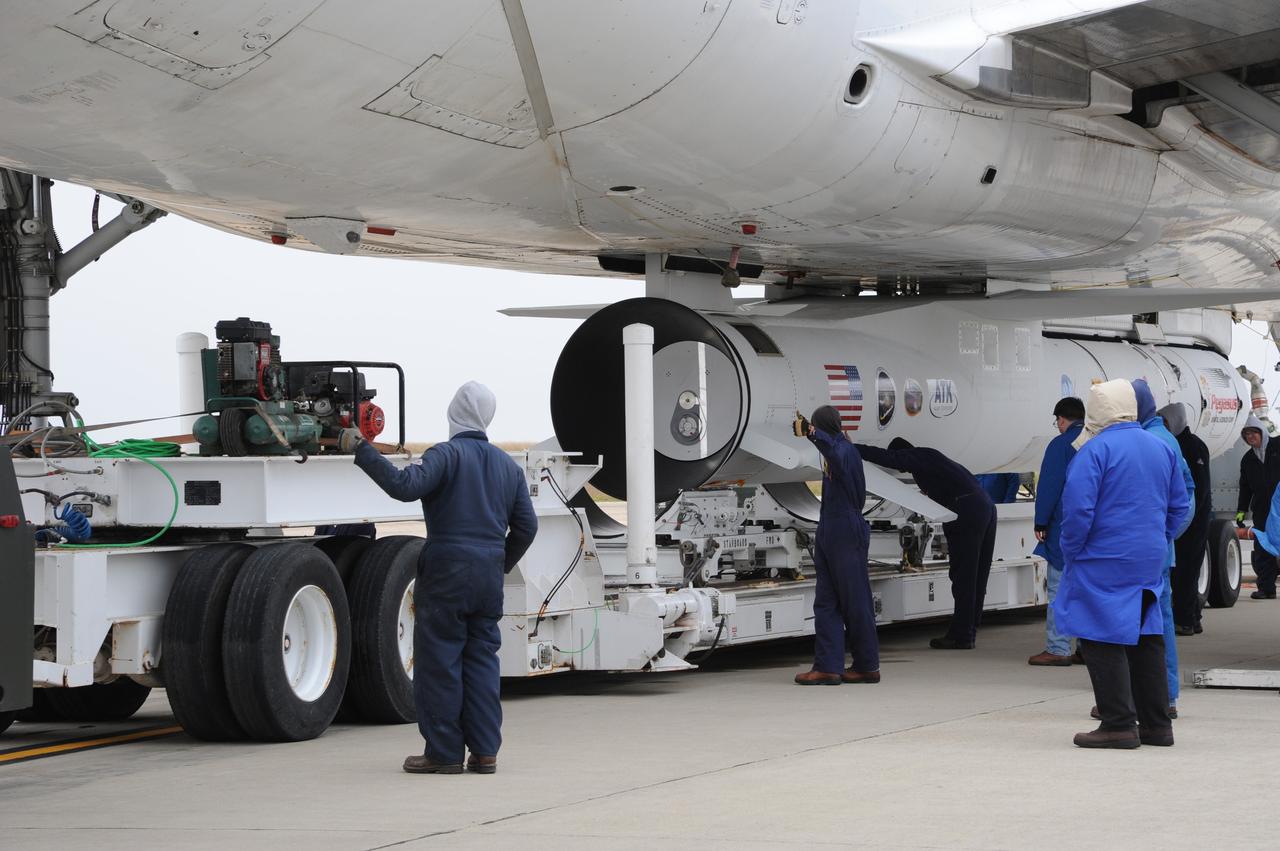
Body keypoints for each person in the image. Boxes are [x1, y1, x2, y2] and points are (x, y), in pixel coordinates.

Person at [343, 381, 537, 775]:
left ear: (453, 414)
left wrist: (361, 449)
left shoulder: (446, 455)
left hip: (447, 570)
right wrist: (499, 561)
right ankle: (485, 752)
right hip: (488, 575)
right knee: (482, 660)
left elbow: (404, 486)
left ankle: (444, 752)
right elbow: (527, 527)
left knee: (440, 661)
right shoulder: (508, 467)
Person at [1055, 379, 1189, 749]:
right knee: (1147, 634)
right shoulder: (1159, 446)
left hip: (1102, 556)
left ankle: (1118, 723)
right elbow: (1180, 504)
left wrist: (1071, 550)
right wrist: (1157, 537)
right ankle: (1157, 725)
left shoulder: (1094, 451)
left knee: (1098, 634)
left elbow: (1078, 511)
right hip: (1148, 556)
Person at [856, 437, 996, 649]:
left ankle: (962, 635)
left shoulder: (919, 456)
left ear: (903, 454)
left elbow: (885, 457)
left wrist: (851, 448)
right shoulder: (934, 461)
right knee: (977, 575)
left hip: (967, 510)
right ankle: (969, 628)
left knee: (964, 577)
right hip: (985, 506)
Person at [793, 407, 879, 685]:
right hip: (830, 526)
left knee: (855, 600)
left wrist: (812, 434)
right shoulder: (839, 448)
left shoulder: (844, 450)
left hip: (844, 526)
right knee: (826, 601)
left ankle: (867, 664)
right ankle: (828, 666)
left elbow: (835, 454)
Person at [1131, 380, 1193, 716]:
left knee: (1148, 623)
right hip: (1157, 548)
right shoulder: (1162, 437)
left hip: (1149, 551)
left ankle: (1156, 697)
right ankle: (1163, 696)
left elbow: (1182, 500)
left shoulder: (1151, 440)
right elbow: (1185, 497)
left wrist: (1161, 535)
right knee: (1158, 619)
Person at [1028, 396, 1084, 667]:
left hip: (1064, 528)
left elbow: (1050, 485)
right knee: (1086, 591)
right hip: (1093, 531)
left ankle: (1058, 647)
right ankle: (1088, 648)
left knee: (1059, 591)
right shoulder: (1096, 441)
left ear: (1062, 419)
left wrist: (1041, 522)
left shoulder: (1060, 445)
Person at [1162, 403, 1210, 634]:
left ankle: (1186, 620)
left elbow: (1199, 488)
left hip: (1193, 521)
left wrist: (1186, 517)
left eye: (1166, 421)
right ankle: (1193, 617)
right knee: (1184, 572)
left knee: (1186, 572)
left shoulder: (1192, 446)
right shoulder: (1177, 443)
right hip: (1184, 519)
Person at [1237, 416, 1280, 600]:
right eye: (1246, 434)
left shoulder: (1277, 446)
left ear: (1262, 432)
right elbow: (1245, 488)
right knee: (1263, 548)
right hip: (1262, 510)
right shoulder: (1247, 460)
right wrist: (1241, 512)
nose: (1250, 437)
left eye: (1253, 432)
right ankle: (1266, 588)